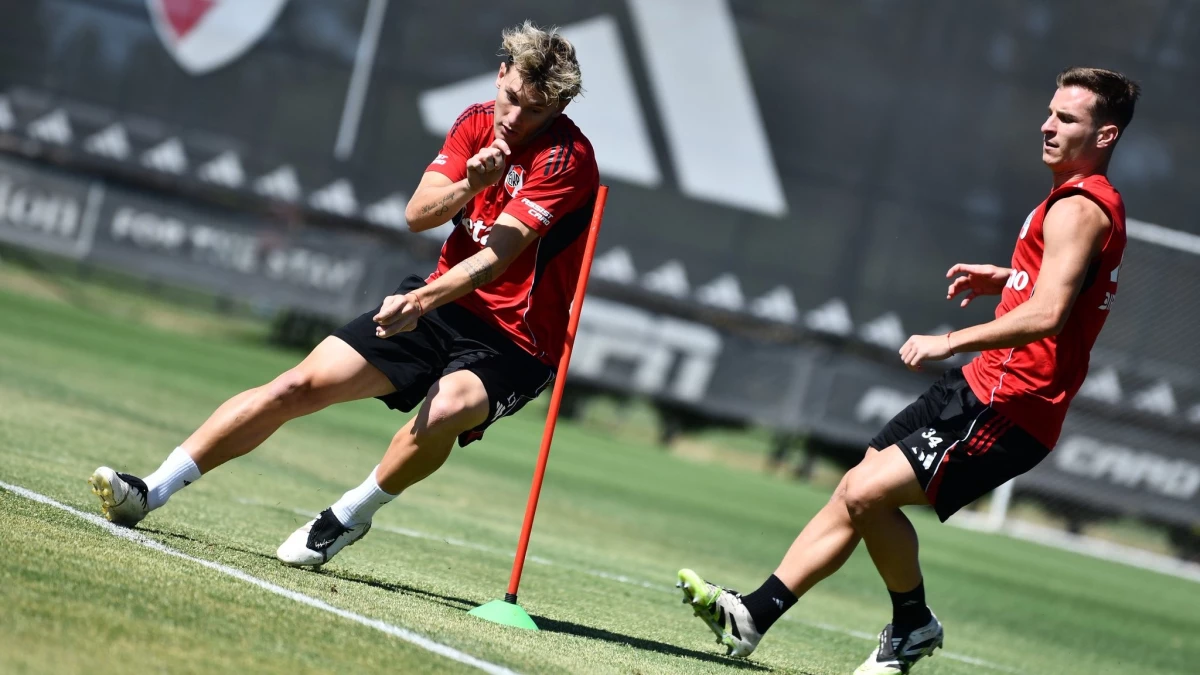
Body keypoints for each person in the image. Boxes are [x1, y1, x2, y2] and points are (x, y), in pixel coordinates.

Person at [676, 66, 1139, 675]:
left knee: (868, 493)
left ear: (1104, 136)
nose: (1048, 127)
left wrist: (952, 339)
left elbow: (1051, 314)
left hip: (1010, 408)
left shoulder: (1078, 208)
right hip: (980, 388)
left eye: (1068, 119)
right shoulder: (1074, 202)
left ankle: (913, 625)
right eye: (1050, 113)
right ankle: (753, 614)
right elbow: (1061, 286)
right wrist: (1006, 277)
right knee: (856, 487)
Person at [88, 20, 599, 568]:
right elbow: (416, 215)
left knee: (447, 407)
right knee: (297, 384)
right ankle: (151, 489)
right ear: (500, 74)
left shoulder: (565, 160)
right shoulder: (476, 121)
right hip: (442, 303)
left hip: (516, 340)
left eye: (535, 111)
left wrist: (421, 301)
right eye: (512, 98)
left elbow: (495, 259)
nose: (515, 118)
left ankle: (349, 516)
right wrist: (471, 184)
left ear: (559, 110)